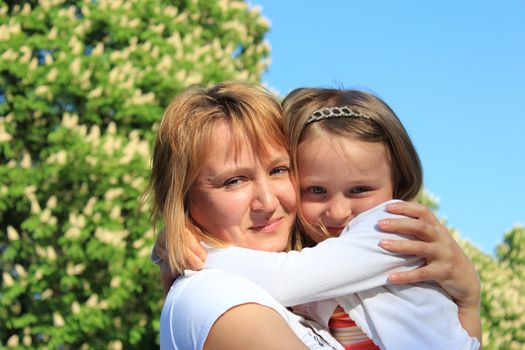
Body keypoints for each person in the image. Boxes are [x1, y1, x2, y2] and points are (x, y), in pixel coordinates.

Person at [149, 82, 481, 349]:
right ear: (184, 199)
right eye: (234, 180)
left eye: (279, 169)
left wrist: (469, 302)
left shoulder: (388, 225)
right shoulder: (215, 296)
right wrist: (182, 252)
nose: (267, 200)